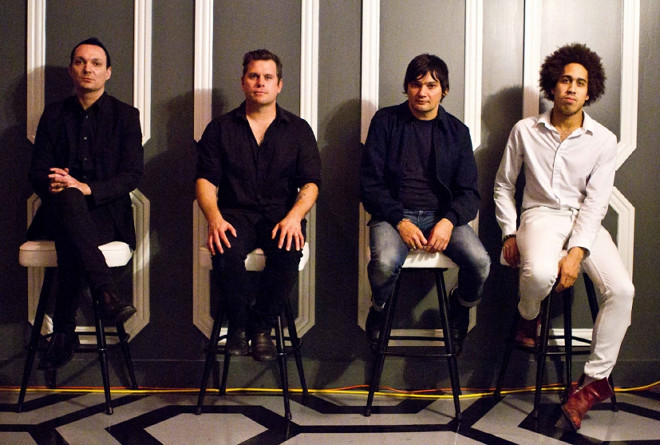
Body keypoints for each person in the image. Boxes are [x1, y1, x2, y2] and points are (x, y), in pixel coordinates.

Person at [494, 43, 635, 431]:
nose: (571, 88)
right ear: (552, 86)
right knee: (539, 274)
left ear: (590, 92)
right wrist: (509, 231)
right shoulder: (525, 130)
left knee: (623, 291)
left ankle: (591, 384)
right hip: (539, 215)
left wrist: (576, 252)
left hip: (585, 221)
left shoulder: (603, 140)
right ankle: (529, 315)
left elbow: (596, 202)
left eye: (580, 83)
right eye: (565, 80)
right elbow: (503, 185)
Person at [195, 49, 321, 362]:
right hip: (234, 214)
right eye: (253, 76)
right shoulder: (220, 129)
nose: (260, 82)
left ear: (279, 85)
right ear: (243, 82)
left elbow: (311, 183)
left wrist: (295, 217)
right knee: (224, 248)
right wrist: (214, 219)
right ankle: (239, 326)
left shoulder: (298, 129)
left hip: (281, 214)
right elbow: (205, 181)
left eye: (267, 77)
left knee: (288, 249)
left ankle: (262, 327)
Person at [360, 53, 491, 352]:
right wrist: (400, 221)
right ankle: (379, 308)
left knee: (480, 262)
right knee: (383, 264)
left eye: (431, 85)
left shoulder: (457, 132)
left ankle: (460, 306)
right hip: (393, 215)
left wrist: (448, 221)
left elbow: (469, 192)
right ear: (407, 87)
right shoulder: (385, 122)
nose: (422, 92)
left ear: (444, 90)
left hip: (441, 216)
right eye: (416, 84)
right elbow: (370, 185)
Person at [28, 38, 142, 371]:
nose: (87, 69)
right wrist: (55, 182)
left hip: (106, 214)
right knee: (68, 201)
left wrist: (85, 187)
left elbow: (132, 174)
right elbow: (37, 170)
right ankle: (106, 292)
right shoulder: (54, 114)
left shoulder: (125, 116)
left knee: (73, 224)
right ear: (71, 70)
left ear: (108, 72)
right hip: (58, 209)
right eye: (80, 62)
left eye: (95, 63)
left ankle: (64, 331)